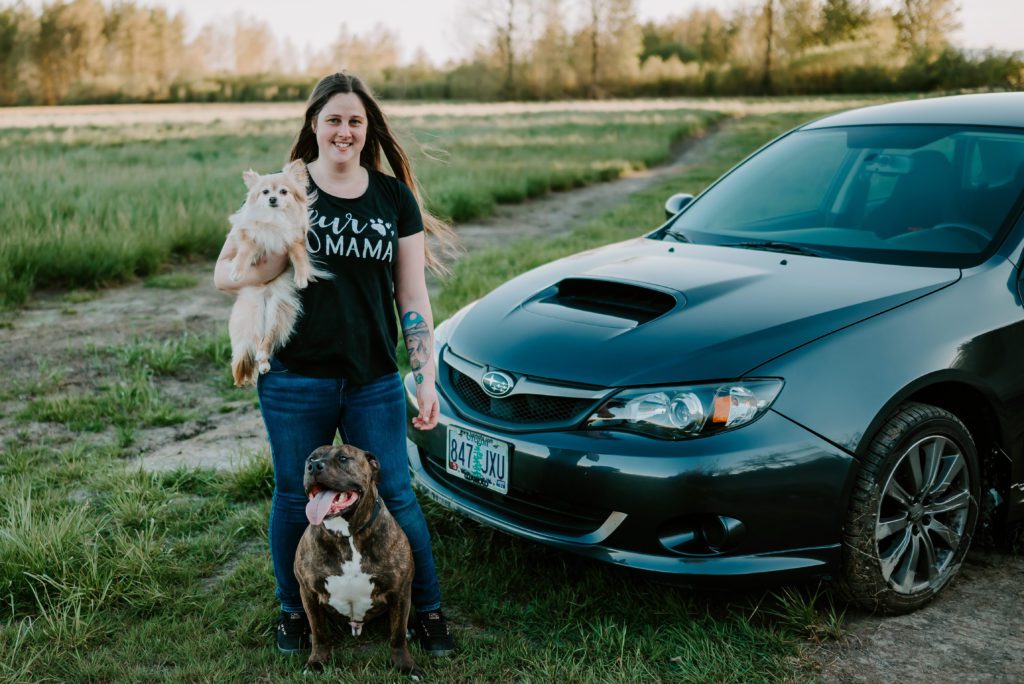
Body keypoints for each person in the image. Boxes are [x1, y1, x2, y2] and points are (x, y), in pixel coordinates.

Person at [213, 72, 458, 657]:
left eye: (354, 120)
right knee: (294, 498)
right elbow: (224, 271)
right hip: (295, 377)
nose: (344, 130)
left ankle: (426, 609)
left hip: (373, 375)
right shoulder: (288, 190)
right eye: (333, 120)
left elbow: (412, 295)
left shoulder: (393, 197)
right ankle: (294, 611)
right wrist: (266, 270)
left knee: (396, 493)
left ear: (366, 128)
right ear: (314, 127)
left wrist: (424, 374)